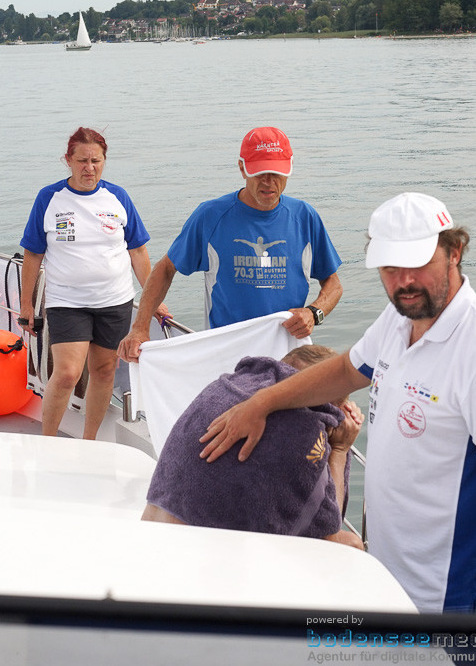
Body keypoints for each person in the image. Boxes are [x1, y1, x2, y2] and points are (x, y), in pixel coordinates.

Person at [197, 193, 476, 615]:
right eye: (389, 268)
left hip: (451, 599)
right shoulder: (400, 319)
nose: (403, 282)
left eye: (416, 264)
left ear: (454, 252)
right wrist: (262, 402)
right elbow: (346, 370)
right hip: (386, 581)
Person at [117, 127, 342, 363]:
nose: (269, 182)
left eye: (276, 173)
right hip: (226, 353)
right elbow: (165, 269)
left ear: (289, 169)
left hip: (288, 353)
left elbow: (333, 283)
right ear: (242, 168)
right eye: (260, 173)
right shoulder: (211, 216)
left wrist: (314, 313)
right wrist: (140, 328)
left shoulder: (305, 217)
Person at [19, 127, 168, 439]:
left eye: (96, 161)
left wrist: (152, 299)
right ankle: (48, 442)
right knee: (68, 373)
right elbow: (32, 254)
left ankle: (89, 442)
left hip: (114, 301)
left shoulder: (118, 197)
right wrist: (26, 305)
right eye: (82, 160)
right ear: (68, 161)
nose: (90, 168)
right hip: (67, 301)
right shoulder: (50, 198)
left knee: (103, 371)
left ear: (104, 161)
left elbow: (138, 251)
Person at [142, 345, 364, 549]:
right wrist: (340, 449)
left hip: (151, 536)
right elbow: (329, 530)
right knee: (352, 544)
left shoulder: (224, 388)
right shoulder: (303, 431)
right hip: (202, 564)